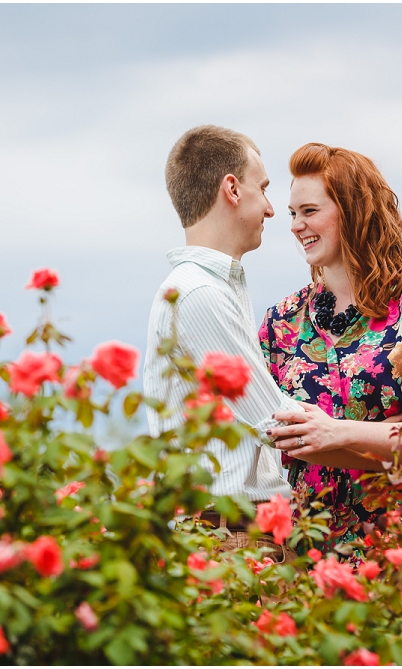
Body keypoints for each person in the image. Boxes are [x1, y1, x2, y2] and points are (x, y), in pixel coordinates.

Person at [260, 142, 402, 553]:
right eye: (294, 213)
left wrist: (332, 432)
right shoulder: (281, 321)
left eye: (310, 211)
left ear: (352, 211)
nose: (296, 225)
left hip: (395, 550)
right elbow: (260, 436)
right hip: (302, 556)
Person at [143, 125, 306, 562]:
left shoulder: (210, 289)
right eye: (264, 188)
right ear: (232, 189)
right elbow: (275, 422)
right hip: (231, 537)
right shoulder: (200, 294)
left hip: (236, 531)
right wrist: (378, 440)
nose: (272, 209)